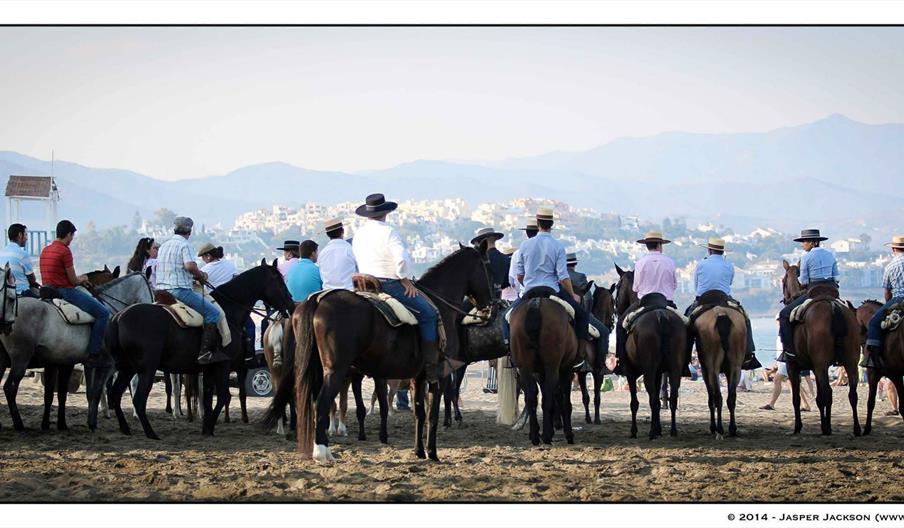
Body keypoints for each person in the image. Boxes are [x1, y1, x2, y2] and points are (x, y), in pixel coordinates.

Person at [352, 193, 442, 382]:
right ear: (385, 213)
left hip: (362, 283)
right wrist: (404, 279)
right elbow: (400, 260)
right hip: (387, 284)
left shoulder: (359, 234)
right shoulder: (388, 232)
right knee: (429, 315)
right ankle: (430, 365)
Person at [507, 207, 590, 367]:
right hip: (552, 291)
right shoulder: (558, 246)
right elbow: (563, 276)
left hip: (530, 291)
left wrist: (529, 283)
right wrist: (572, 295)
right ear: (551, 224)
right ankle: (579, 355)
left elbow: (519, 275)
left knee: (507, 318)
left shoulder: (525, 245)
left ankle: (509, 348)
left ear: (538, 223)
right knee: (582, 316)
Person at [39, 220, 111, 367]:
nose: (72, 239)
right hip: (64, 291)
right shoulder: (65, 251)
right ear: (68, 234)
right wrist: (83, 278)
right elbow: (72, 280)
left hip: (46, 289)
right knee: (103, 313)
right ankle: (94, 353)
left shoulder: (46, 249)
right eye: (72, 235)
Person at [156, 216, 227, 364]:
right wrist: (200, 275)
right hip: (179, 291)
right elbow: (189, 266)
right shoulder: (185, 245)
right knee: (213, 313)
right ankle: (205, 352)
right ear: (190, 230)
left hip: (160, 292)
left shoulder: (163, 246)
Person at [685, 238, 761, 369]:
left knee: (686, 321)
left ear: (709, 250)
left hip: (703, 299)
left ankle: (685, 354)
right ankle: (749, 352)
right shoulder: (729, 265)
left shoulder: (701, 264)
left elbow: (696, 285)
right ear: (722, 252)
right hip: (724, 298)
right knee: (745, 317)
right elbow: (730, 283)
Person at [614, 231, 678, 376]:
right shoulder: (669, 262)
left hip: (645, 302)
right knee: (686, 326)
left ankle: (621, 360)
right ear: (660, 245)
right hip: (665, 302)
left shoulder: (640, 263)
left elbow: (635, 288)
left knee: (620, 325)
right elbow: (674, 285)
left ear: (646, 245)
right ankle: (683, 361)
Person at [779, 229, 839, 362]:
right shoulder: (831, 255)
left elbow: (804, 281)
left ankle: (789, 352)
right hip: (832, 291)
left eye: (804, 241)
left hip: (814, 291)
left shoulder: (806, 258)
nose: (802, 244)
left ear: (813, 242)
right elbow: (836, 277)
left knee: (783, 315)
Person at [862, 235, 904, 369]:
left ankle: (871, 359)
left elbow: (887, 292)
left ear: (893, 249)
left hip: (898, 299)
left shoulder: (890, 266)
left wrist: (888, 305)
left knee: (874, 323)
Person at [566, 251, 610, 372]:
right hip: (577, 312)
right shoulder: (579, 277)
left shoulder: (556, 276)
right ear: (574, 264)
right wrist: (587, 312)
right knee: (604, 332)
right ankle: (601, 365)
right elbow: (588, 298)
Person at [761, 318, 813, 411]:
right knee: (793, 383)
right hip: (782, 361)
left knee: (777, 379)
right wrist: (777, 362)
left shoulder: (786, 332)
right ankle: (805, 404)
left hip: (786, 360)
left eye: (779, 322)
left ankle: (772, 404)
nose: (777, 324)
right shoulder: (781, 333)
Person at [0, 223, 40, 298]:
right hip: (21, 292)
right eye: (25, 235)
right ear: (20, 235)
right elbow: (32, 279)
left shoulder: (1, 253)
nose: (27, 238)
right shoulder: (23, 254)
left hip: (4, 293)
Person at [317, 219, 357, 290]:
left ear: (327, 235)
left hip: (327, 291)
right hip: (349, 290)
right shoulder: (351, 249)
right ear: (343, 231)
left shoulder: (322, 253)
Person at [471, 226, 509, 291]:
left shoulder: (479, 260)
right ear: (495, 239)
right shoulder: (506, 258)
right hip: (499, 295)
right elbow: (506, 282)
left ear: (481, 243)